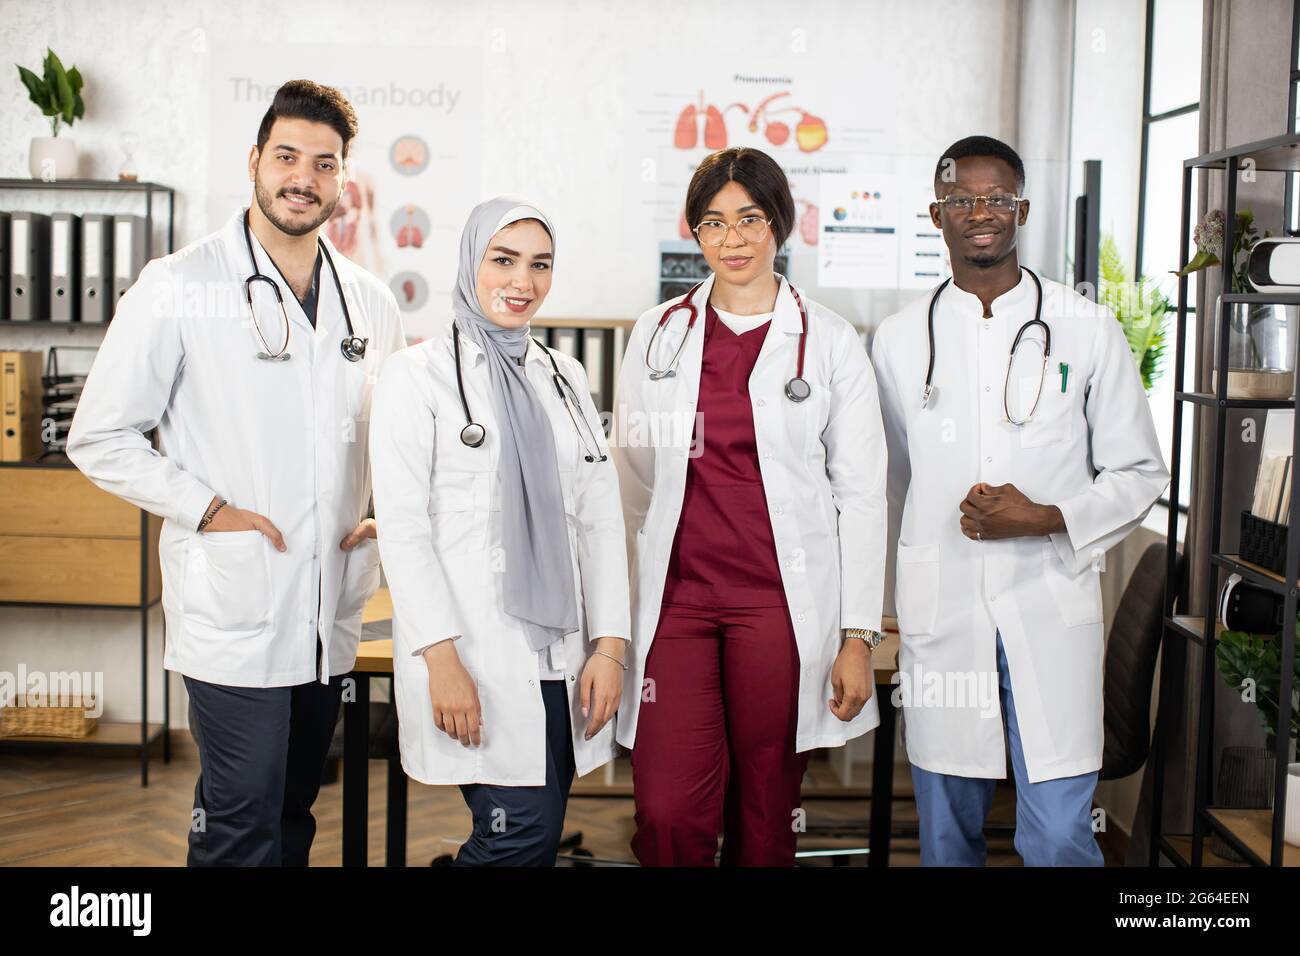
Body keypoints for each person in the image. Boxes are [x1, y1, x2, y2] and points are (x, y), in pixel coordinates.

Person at [66, 80, 405, 866]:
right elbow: (100, 435)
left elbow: (385, 433)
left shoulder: (370, 303)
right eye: (286, 156)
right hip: (233, 608)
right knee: (240, 820)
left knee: (292, 814)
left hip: (329, 614)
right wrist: (209, 509)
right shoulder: (180, 285)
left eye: (324, 164)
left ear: (342, 182)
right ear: (254, 161)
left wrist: (392, 509)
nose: (303, 177)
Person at [870, 135, 1170, 866]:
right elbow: (887, 484)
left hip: (1048, 602)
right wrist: (878, 602)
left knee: (1061, 834)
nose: (982, 212)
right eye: (962, 199)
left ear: (1023, 209)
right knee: (945, 837)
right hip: (945, 612)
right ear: (934, 212)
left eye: (998, 198)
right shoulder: (898, 340)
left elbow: (1138, 470)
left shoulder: (1086, 326)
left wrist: (1045, 517)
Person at [612, 147, 888, 866]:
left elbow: (862, 494)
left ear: (779, 224)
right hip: (677, 602)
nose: (731, 239)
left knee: (766, 813)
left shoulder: (829, 343)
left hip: (780, 605)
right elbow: (633, 481)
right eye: (712, 222)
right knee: (669, 812)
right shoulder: (658, 334)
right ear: (694, 233)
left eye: (749, 218)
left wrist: (858, 635)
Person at [369, 196, 630, 866]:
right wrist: (441, 657)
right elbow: (402, 529)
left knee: (528, 837)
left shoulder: (564, 377)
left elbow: (599, 519)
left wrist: (610, 647)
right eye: (504, 260)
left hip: (561, 655)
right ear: (470, 262)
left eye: (540, 265)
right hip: (472, 651)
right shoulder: (415, 376)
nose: (523, 281)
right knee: (518, 836)